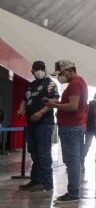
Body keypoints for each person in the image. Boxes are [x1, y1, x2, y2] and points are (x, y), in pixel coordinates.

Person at [45, 60, 88, 203]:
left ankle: (73, 193)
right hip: (73, 127)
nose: (59, 77)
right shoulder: (79, 82)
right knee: (73, 161)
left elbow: (73, 106)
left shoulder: (75, 84)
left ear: (69, 71)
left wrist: (54, 104)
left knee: (72, 161)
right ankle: (73, 192)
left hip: (71, 127)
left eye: (61, 74)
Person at [17, 61, 59, 192]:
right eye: (37, 69)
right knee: (34, 153)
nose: (39, 71)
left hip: (44, 123)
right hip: (31, 124)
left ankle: (47, 183)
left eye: (42, 68)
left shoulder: (50, 83)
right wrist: (20, 110)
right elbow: (25, 100)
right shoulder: (31, 85)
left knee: (43, 153)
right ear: (32, 71)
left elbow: (55, 100)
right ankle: (35, 181)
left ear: (45, 69)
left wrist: (40, 113)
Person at [81, 92, 96, 169]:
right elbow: (85, 116)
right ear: (94, 97)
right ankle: (82, 161)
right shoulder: (89, 105)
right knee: (87, 145)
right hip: (90, 129)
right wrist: (85, 127)